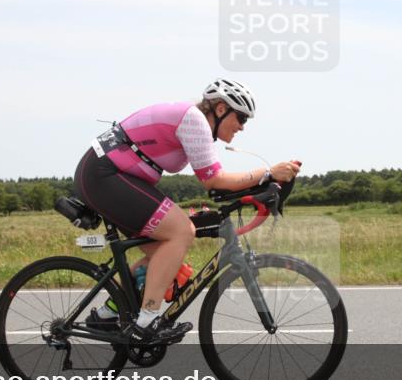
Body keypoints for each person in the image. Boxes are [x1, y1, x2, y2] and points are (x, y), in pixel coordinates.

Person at [73, 78, 301, 344]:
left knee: (165, 257)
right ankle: (146, 322)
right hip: (104, 175)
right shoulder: (194, 121)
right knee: (182, 232)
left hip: (110, 175)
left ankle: (107, 315)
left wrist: (264, 185)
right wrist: (268, 173)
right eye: (240, 117)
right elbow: (214, 181)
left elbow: (217, 184)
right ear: (220, 109)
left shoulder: (195, 123)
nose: (242, 126)